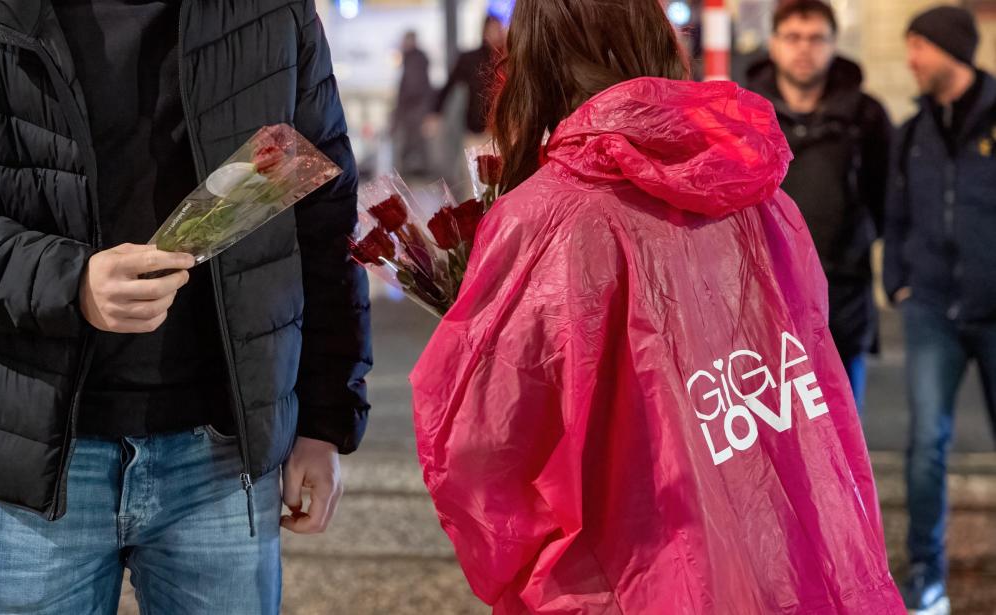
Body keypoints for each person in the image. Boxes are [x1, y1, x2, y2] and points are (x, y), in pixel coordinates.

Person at [0, 1, 372, 613]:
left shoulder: (273, 9)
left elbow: (323, 216)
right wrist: (70, 282)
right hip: (40, 450)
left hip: (221, 449)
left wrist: (323, 423)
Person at [410, 0, 904, 612]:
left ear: (536, 60)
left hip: (629, 574)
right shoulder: (756, 191)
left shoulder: (541, 218)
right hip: (782, 561)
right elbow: (807, 366)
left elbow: (480, 447)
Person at [883, 6, 996, 614]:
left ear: (951, 50)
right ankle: (927, 573)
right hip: (930, 309)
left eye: (919, 47)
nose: (911, 60)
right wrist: (899, 281)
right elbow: (896, 216)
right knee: (926, 443)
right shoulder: (913, 132)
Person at [747, 0, 892, 410]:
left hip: (843, 294)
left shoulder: (866, 115)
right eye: (793, 37)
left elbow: (884, 200)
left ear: (834, 44)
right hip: (764, 296)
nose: (804, 48)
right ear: (773, 45)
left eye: (816, 38)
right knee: (774, 441)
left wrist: (857, 244)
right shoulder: (746, 115)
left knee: (845, 436)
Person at [432, 15, 506, 141]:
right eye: (494, 29)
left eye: (499, 30)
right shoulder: (470, 59)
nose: (498, 34)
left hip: (503, 130)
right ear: (484, 31)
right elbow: (449, 85)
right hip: (477, 131)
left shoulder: (507, 59)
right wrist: (436, 112)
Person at [393, 30, 434, 177]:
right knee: (416, 141)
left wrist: (401, 106)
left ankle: (410, 173)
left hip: (414, 108)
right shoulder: (415, 58)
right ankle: (416, 171)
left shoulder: (413, 59)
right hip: (417, 107)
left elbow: (412, 86)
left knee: (412, 141)